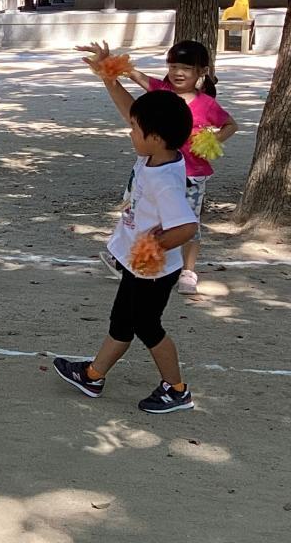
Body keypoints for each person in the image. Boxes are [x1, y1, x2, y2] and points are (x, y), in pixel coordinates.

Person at [53, 45, 198, 413]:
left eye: (135, 129)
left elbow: (186, 227)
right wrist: (109, 76)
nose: (130, 130)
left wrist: (154, 244)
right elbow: (130, 109)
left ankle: (176, 389)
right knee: (122, 321)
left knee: (148, 326)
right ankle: (92, 375)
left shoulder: (164, 179)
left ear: (156, 137)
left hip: (153, 271)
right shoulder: (155, 153)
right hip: (138, 266)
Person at [80, 40, 236, 295]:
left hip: (190, 176)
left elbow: (187, 228)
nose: (178, 72)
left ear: (201, 71)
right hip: (152, 172)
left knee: (186, 222)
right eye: (173, 66)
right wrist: (108, 69)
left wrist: (211, 141)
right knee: (134, 213)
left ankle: (184, 270)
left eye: (186, 67)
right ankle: (126, 257)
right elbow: (133, 87)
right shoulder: (160, 95)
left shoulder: (204, 104)